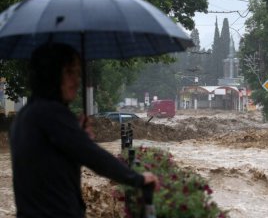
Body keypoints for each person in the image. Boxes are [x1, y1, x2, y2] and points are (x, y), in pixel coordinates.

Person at [9, 43, 159, 218]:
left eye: (78, 73)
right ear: (50, 75)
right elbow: (95, 158)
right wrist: (138, 179)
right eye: (69, 72)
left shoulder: (24, 116)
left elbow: (49, 167)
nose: (76, 80)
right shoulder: (52, 114)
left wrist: (77, 135)